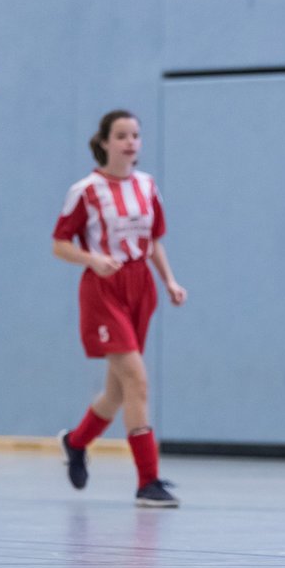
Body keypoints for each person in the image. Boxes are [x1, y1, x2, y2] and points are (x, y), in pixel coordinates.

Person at [52, 110, 187, 508]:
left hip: (139, 285)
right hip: (103, 289)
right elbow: (59, 244)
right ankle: (147, 481)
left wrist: (170, 281)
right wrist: (92, 260)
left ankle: (75, 443)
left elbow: (154, 241)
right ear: (105, 142)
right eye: (122, 135)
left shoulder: (147, 186)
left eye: (135, 135)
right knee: (138, 381)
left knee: (117, 390)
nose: (130, 142)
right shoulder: (86, 190)